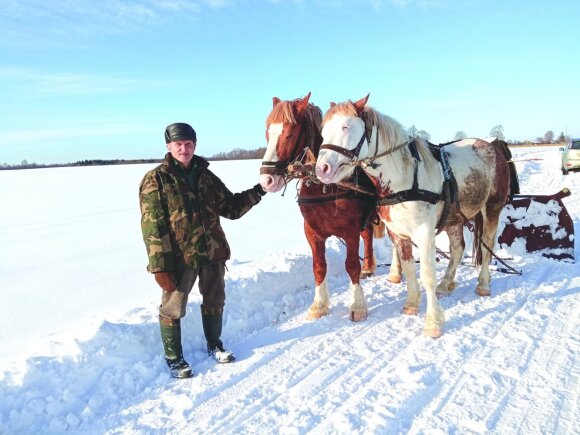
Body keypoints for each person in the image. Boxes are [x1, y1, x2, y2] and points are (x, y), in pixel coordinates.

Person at [139, 122, 266, 379]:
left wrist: (260, 190)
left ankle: (215, 344)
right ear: (169, 147)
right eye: (178, 145)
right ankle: (174, 358)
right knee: (173, 307)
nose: (184, 149)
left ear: (195, 145)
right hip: (179, 259)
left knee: (214, 300)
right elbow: (152, 226)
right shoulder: (157, 179)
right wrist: (159, 266)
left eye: (188, 144)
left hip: (212, 253)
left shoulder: (205, 175)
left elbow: (230, 207)